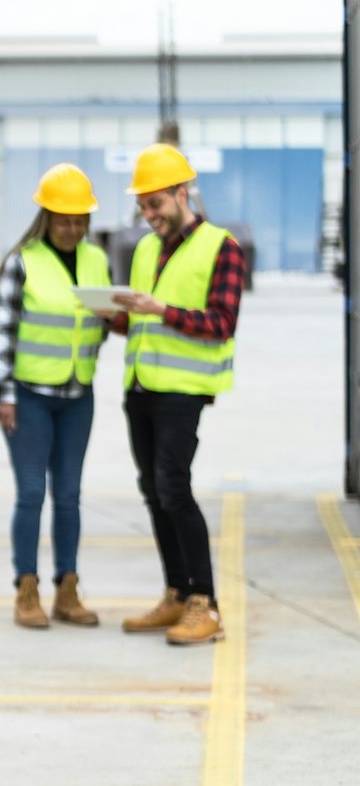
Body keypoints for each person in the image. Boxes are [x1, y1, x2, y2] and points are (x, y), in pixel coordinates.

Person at [108, 143, 242, 645]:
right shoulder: (145, 248)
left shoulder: (220, 247)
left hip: (183, 391)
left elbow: (221, 324)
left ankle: (204, 604)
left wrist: (159, 309)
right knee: (153, 492)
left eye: (155, 204)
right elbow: (144, 319)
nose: (148, 215)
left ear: (182, 193)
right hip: (141, 386)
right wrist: (115, 316)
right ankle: (176, 594)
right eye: (142, 206)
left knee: (174, 488)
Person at [0, 163, 110, 629]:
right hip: (30, 396)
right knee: (32, 494)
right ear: (46, 216)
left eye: (80, 219)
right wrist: (5, 396)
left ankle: (68, 590)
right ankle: (26, 589)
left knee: (70, 495)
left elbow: (101, 318)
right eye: (65, 219)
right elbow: (2, 334)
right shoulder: (22, 261)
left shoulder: (97, 260)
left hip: (79, 394)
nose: (73, 227)